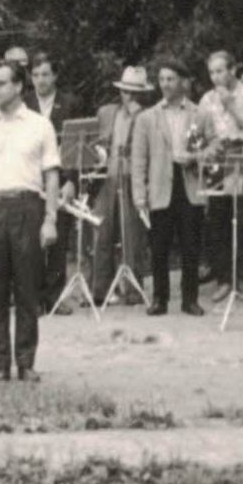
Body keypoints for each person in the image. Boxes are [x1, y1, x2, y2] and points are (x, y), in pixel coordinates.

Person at [0, 59, 61, 380]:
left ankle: (26, 363)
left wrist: (50, 219)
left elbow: (51, 175)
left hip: (27, 208)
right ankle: (0, 365)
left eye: (0, 84)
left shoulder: (39, 125)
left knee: (27, 290)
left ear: (18, 86)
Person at [132, 59, 211, 316]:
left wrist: (196, 158)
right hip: (159, 186)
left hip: (189, 183)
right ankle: (159, 299)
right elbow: (139, 159)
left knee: (191, 245)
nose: (165, 84)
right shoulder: (147, 117)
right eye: (162, 79)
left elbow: (214, 146)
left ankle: (190, 300)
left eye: (171, 79)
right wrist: (139, 195)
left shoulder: (199, 113)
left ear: (183, 82)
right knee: (159, 247)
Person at [24, 53, 84, 314]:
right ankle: (34, 297)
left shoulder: (70, 103)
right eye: (35, 75)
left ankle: (55, 296)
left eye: (45, 74)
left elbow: (77, 146)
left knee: (59, 238)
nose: (40, 80)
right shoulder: (23, 104)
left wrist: (71, 181)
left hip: (60, 179)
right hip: (31, 179)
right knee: (32, 238)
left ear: (55, 76)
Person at [197, 51, 243, 291]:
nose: (215, 77)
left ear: (233, 70)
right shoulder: (206, 99)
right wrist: (205, 148)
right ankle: (224, 278)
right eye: (212, 72)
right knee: (219, 218)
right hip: (218, 157)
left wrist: (230, 105)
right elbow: (197, 134)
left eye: (220, 71)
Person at [89, 67, 151, 306]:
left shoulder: (147, 116)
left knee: (132, 234)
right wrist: (98, 152)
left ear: (143, 95)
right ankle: (100, 289)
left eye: (135, 93)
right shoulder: (106, 112)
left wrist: (137, 116)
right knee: (101, 232)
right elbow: (94, 141)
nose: (130, 97)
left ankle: (133, 289)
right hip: (108, 177)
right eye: (126, 91)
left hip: (132, 177)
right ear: (120, 91)